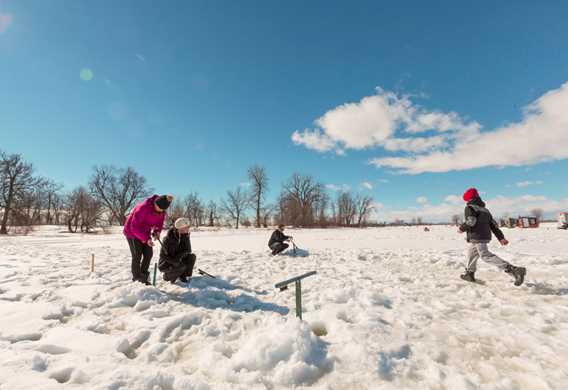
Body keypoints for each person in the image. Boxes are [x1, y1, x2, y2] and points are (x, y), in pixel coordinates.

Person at [458, 188, 526, 286]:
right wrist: (501, 238)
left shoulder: (470, 207)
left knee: (485, 256)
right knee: (471, 253)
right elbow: (493, 225)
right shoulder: (485, 210)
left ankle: (514, 270)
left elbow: (471, 221)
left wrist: (461, 228)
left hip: (477, 236)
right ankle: (469, 273)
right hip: (483, 236)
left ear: (468, 199)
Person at [124, 194, 173, 285]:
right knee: (137, 255)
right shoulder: (143, 208)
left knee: (148, 254)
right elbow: (134, 227)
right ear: (155, 203)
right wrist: (146, 239)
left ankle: (144, 277)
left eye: (162, 210)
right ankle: (137, 279)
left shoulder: (161, 212)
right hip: (132, 233)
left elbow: (159, 223)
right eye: (159, 208)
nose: (160, 211)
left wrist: (157, 232)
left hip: (145, 232)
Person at [158, 217, 196, 284]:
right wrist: (174, 261)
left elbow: (188, 250)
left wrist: (186, 238)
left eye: (188, 227)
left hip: (177, 259)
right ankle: (167, 276)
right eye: (186, 228)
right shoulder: (168, 239)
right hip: (166, 263)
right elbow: (162, 255)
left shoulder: (184, 236)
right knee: (181, 266)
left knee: (191, 257)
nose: (188, 229)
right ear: (180, 229)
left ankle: (183, 275)